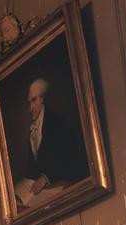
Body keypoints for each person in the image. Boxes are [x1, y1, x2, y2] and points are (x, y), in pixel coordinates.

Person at [13, 78, 89, 207]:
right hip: (38, 190)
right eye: (29, 103)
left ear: (42, 99)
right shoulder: (33, 129)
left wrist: (46, 178)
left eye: (34, 100)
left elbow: (67, 156)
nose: (30, 108)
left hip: (60, 183)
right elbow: (33, 167)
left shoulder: (56, 122)